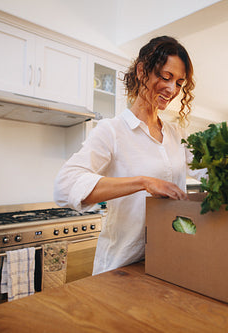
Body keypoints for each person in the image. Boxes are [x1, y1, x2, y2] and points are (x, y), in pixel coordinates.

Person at [53, 36, 206, 275]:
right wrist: (143, 182)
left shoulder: (177, 134)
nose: (172, 89)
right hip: (121, 266)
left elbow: (209, 170)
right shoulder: (111, 131)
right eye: (165, 77)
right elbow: (64, 187)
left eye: (179, 83)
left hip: (168, 259)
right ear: (142, 70)